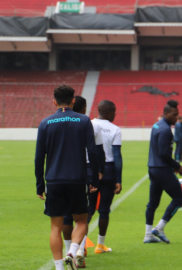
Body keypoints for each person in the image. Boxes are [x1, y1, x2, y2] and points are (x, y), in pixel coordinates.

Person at [35, 85, 100, 270]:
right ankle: (72, 251)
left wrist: (40, 185)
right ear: (73, 100)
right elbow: (92, 152)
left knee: (55, 227)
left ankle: (59, 267)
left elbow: (39, 157)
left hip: (54, 180)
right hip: (77, 179)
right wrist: (94, 179)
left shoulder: (45, 123)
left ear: (54, 101)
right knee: (81, 220)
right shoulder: (83, 120)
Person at [62, 96, 105, 268]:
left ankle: (68, 252)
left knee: (66, 215)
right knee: (83, 215)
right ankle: (79, 251)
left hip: (63, 170)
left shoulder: (59, 122)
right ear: (84, 107)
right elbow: (98, 152)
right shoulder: (91, 123)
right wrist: (97, 174)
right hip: (85, 170)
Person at [144, 100, 182, 244]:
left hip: (152, 168)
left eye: (178, 115)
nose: (176, 118)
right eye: (174, 115)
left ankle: (147, 235)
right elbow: (163, 153)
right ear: (166, 113)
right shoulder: (165, 130)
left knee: (153, 202)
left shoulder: (157, 125)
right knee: (179, 199)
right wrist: (177, 166)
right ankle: (159, 228)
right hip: (162, 169)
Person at [88, 100, 123, 255]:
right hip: (108, 170)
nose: (115, 114)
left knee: (87, 210)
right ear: (108, 112)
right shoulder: (115, 129)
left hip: (90, 169)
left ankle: (81, 245)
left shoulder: (88, 124)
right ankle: (100, 245)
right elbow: (117, 155)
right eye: (114, 111)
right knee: (104, 210)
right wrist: (119, 179)